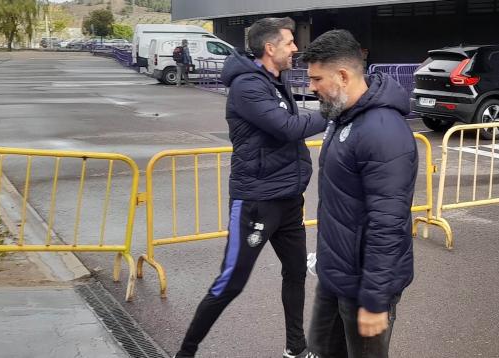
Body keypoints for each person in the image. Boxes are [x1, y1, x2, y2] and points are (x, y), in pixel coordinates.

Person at [174, 17, 327, 358]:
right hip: (257, 200)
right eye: (289, 43)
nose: (295, 49)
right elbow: (286, 128)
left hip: (287, 198)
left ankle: (295, 348)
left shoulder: (273, 80)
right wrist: (332, 112)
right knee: (232, 282)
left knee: (296, 271)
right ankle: (185, 352)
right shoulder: (248, 86)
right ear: (270, 48)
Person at [302, 29, 418, 358]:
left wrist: (374, 299)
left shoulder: (382, 131)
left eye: (316, 78)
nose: (311, 87)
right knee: (319, 352)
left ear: (342, 75)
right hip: (335, 273)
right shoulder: (343, 117)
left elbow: (388, 222)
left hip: (365, 286)